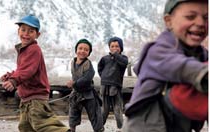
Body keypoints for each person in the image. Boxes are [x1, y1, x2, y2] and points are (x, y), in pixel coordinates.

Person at [123, 0, 208, 132]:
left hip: (179, 123)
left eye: (206, 18)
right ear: (169, 21)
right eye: (190, 17)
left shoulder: (201, 54)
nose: (201, 23)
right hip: (147, 125)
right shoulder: (158, 50)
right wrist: (203, 73)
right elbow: (181, 66)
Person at [1, 14, 70, 132]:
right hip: (27, 100)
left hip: (35, 99)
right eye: (23, 30)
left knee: (43, 125)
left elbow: (28, 70)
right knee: (25, 127)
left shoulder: (34, 49)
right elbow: (22, 69)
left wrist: (14, 80)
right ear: (18, 31)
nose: (26, 34)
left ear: (37, 35)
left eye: (31, 31)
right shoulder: (25, 50)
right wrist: (10, 76)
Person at [66, 39, 104, 132]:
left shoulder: (88, 64)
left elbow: (87, 78)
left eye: (86, 50)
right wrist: (72, 84)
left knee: (94, 114)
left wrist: (74, 83)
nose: (82, 51)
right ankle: (72, 129)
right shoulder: (73, 62)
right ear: (76, 50)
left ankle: (99, 130)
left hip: (88, 94)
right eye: (80, 48)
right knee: (73, 112)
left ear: (89, 53)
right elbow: (74, 76)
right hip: (76, 93)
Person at [97, 37, 128, 131]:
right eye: (112, 46)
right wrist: (104, 77)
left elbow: (124, 63)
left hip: (116, 85)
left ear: (121, 48)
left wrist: (116, 55)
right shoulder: (105, 58)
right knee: (104, 109)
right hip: (104, 85)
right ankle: (99, 127)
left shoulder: (123, 58)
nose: (114, 48)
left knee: (117, 108)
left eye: (117, 46)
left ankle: (121, 128)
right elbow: (100, 67)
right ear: (109, 47)